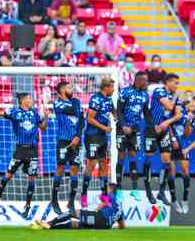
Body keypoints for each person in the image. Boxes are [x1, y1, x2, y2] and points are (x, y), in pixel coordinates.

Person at [0, 94, 50, 217]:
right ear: (23, 101)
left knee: (32, 178)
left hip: (32, 150)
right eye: (29, 98)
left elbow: (43, 129)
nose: (31, 100)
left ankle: (27, 205)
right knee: (8, 175)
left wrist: (46, 117)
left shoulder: (34, 113)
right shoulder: (15, 112)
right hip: (20, 150)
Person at [146, 73, 183, 208]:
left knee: (167, 160)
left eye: (178, 83)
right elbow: (169, 107)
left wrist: (167, 122)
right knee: (148, 159)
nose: (177, 86)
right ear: (167, 82)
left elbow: (178, 116)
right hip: (152, 128)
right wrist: (174, 102)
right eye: (175, 83)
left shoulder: (175, 97)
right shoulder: (159, 91)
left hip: (164, 130)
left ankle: (161, 191)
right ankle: (148, 189)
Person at [116, 72, 152, 200]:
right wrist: (124, 125)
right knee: (121, 155)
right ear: (138, 80)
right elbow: (119, 110)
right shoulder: (124, 92)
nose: (147, 83)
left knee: (133, 156)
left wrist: (153, 126)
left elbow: (146, 113)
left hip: (135, 129)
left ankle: (134, 189)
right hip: (122, 128)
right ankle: (118, 189)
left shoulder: (145, 95)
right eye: (145, 81)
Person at [81, 77, 115, 208]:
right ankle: (83, 195)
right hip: (92, 136)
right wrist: (105, 128)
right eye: (112, 87)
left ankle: (104, 194)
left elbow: (114, 111)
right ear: (106, 87)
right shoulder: (95, 99)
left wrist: (119, 118)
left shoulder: (109, 99)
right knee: (92, 164)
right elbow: (89, 119)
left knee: (103, 164)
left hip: (102, 137)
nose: (113, 90)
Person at [51, 81, 84, 214]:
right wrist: (76, 107)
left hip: (76, 140)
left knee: (74, 169)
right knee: (60, 167)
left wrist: (77, 136)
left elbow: (81, 120)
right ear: (62, 90)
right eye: (69, 87)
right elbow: (71, 110)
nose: (72, 89)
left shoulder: (76, 102)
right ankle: (54, 200)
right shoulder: (57, 103)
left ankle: (71, 202)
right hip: (63, 141)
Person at [33, 183, 125, 230]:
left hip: (99, 218)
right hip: (104, 226)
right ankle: (48, 228)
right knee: (74, 225)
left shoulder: (111, 195)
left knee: (73, 212)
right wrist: (111, 226)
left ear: (111, 189)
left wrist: (96, 210)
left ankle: (49, 223)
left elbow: (103, 202)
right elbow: (122, 226)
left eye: (107, 188)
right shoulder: (120, 206)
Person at [168, 95, 195, 215]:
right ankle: (173, 199)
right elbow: (169, 123)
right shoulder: (179, 107)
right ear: (192, 101)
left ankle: (184, 199)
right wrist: (172, 138)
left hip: (182, 144)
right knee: (171, 171)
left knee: (185, 170)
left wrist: (189, 120)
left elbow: (188, 134)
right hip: (170, 142)